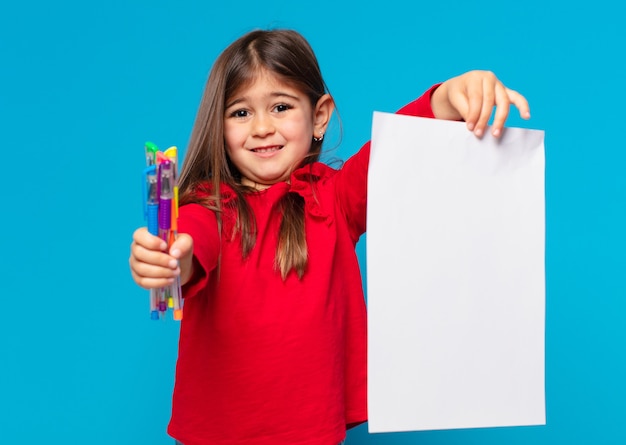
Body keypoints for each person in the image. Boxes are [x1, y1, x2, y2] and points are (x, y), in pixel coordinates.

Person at [129, 29, 530, 445]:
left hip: (314, 433)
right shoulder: (208, 209)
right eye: (240, 113)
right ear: (220, 124)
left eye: (280, 106)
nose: (262, 127)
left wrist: (446, 98)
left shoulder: (335, 198)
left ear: (319, 116)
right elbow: (192, 241)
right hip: (217, 435)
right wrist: (171, 256)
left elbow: (394, 153)